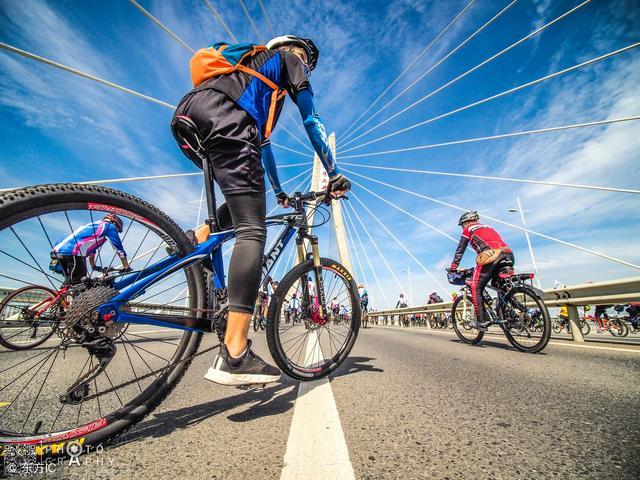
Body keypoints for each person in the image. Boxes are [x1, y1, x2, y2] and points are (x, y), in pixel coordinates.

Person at [173, 35, 351, 385]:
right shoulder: (289, 60)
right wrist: (334, 174)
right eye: (307, 60)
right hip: (226, 119)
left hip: (191, 114)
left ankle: (196, 240)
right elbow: (312, 121)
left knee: (242, 207)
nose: (307, 66)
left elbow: (263, 145)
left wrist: (279, 191)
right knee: (253, 230)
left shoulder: (254, 76)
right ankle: (235, 353)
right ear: (301, 54)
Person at [448, 211, 514, 330]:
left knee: (475, 286)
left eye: (462, 225)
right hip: (508, 253)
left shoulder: (468, 230)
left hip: (490, 256)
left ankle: (481, 322)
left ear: (467, 222)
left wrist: (453, 268)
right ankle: (511, 312)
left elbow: (460, 250)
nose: (462, 227)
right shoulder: (489, 227)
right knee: (498, 284)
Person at [50, 214, 131, 284]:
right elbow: (119, 249)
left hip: (58, 251)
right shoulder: (110, 227)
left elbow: (91, 253)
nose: (117, 231)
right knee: (80, 285)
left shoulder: (93, 225)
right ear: (114, 223)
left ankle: (58, 300)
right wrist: (126, 266)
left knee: (70, 284)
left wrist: (94, 267)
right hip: (73, 252)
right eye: (118, 229)